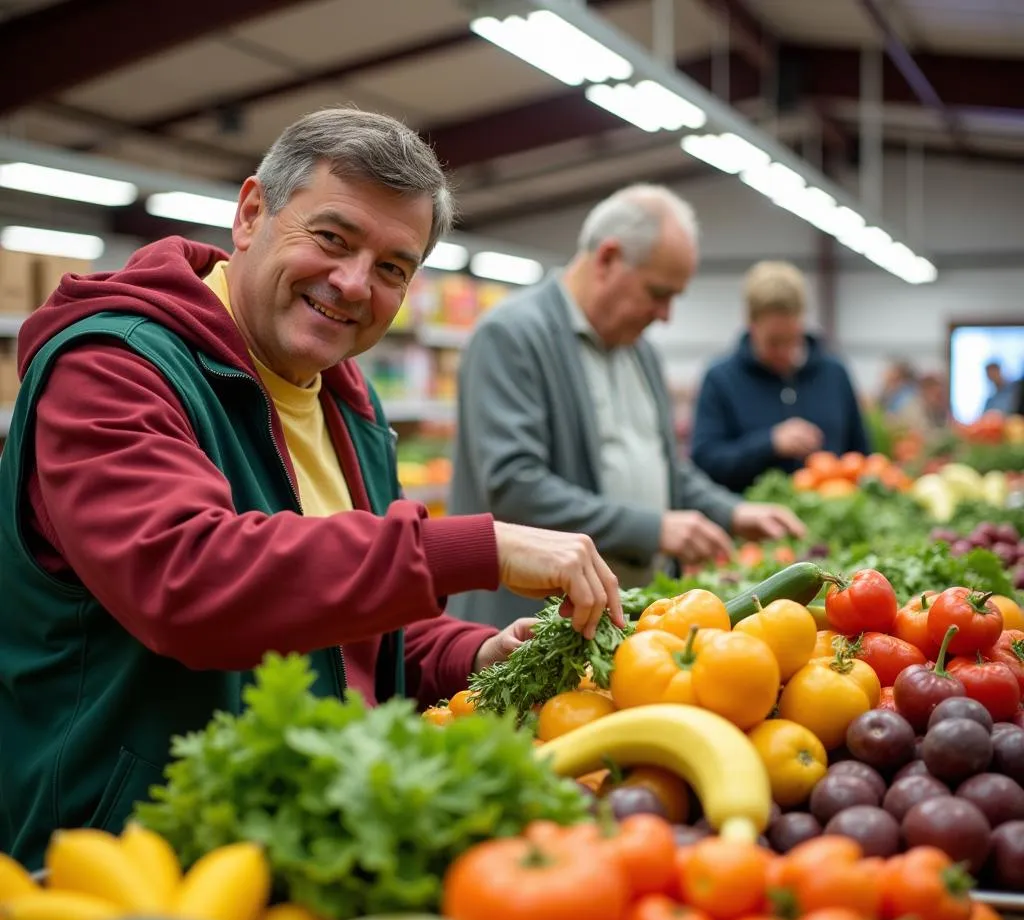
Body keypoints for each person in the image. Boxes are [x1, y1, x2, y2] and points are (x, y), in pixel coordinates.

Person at [0, 107, 624, 868]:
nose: (354, 283)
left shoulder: (346, 403)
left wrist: (479, 651)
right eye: (332, 239)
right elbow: (187, 579)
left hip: (291, 839)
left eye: (393, 267)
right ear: (252, 212)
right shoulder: (112, 368)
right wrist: (475, 547)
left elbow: (354, 629)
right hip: (122, 858)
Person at [446, 184, 803, 629]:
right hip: (528, 624)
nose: (666, 314)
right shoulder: (511, 336)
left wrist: (731, 512)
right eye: (658, 293)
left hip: (624, 617)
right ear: (608, 258)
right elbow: (515, 485)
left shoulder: (641, 351)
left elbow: (666, 468)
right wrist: (653, 529)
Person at [690, 260, 870, 493]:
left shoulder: (834, 374)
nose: (784, 352)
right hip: (749, 521)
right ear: (751, 323)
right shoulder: (721, 379)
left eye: (791, 339)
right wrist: (769, 443)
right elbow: (705, 461)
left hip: (830, 518)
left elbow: (862, 456)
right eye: (773, 342)